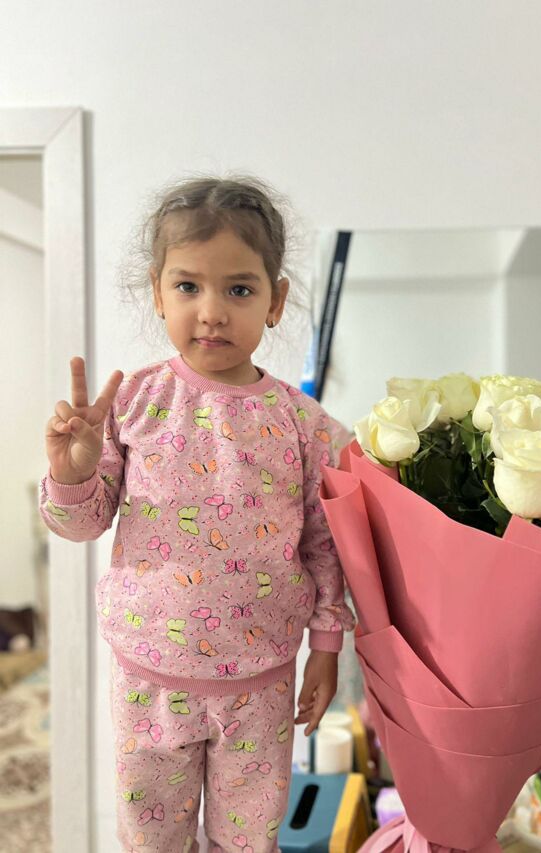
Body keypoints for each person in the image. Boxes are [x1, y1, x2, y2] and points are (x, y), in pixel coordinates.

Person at [39, 175, 356, 853]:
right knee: (151, 841)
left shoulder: (305, 425)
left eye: (238, 289)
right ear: (158, 293)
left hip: (261, 685)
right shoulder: (134, 402)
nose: (211, 312)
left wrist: (327, 648)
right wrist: (71, 472)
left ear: (275, 301)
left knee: (248, 844)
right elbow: (80, 524)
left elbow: (325, 546)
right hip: (148, 680)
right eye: (188, 286)